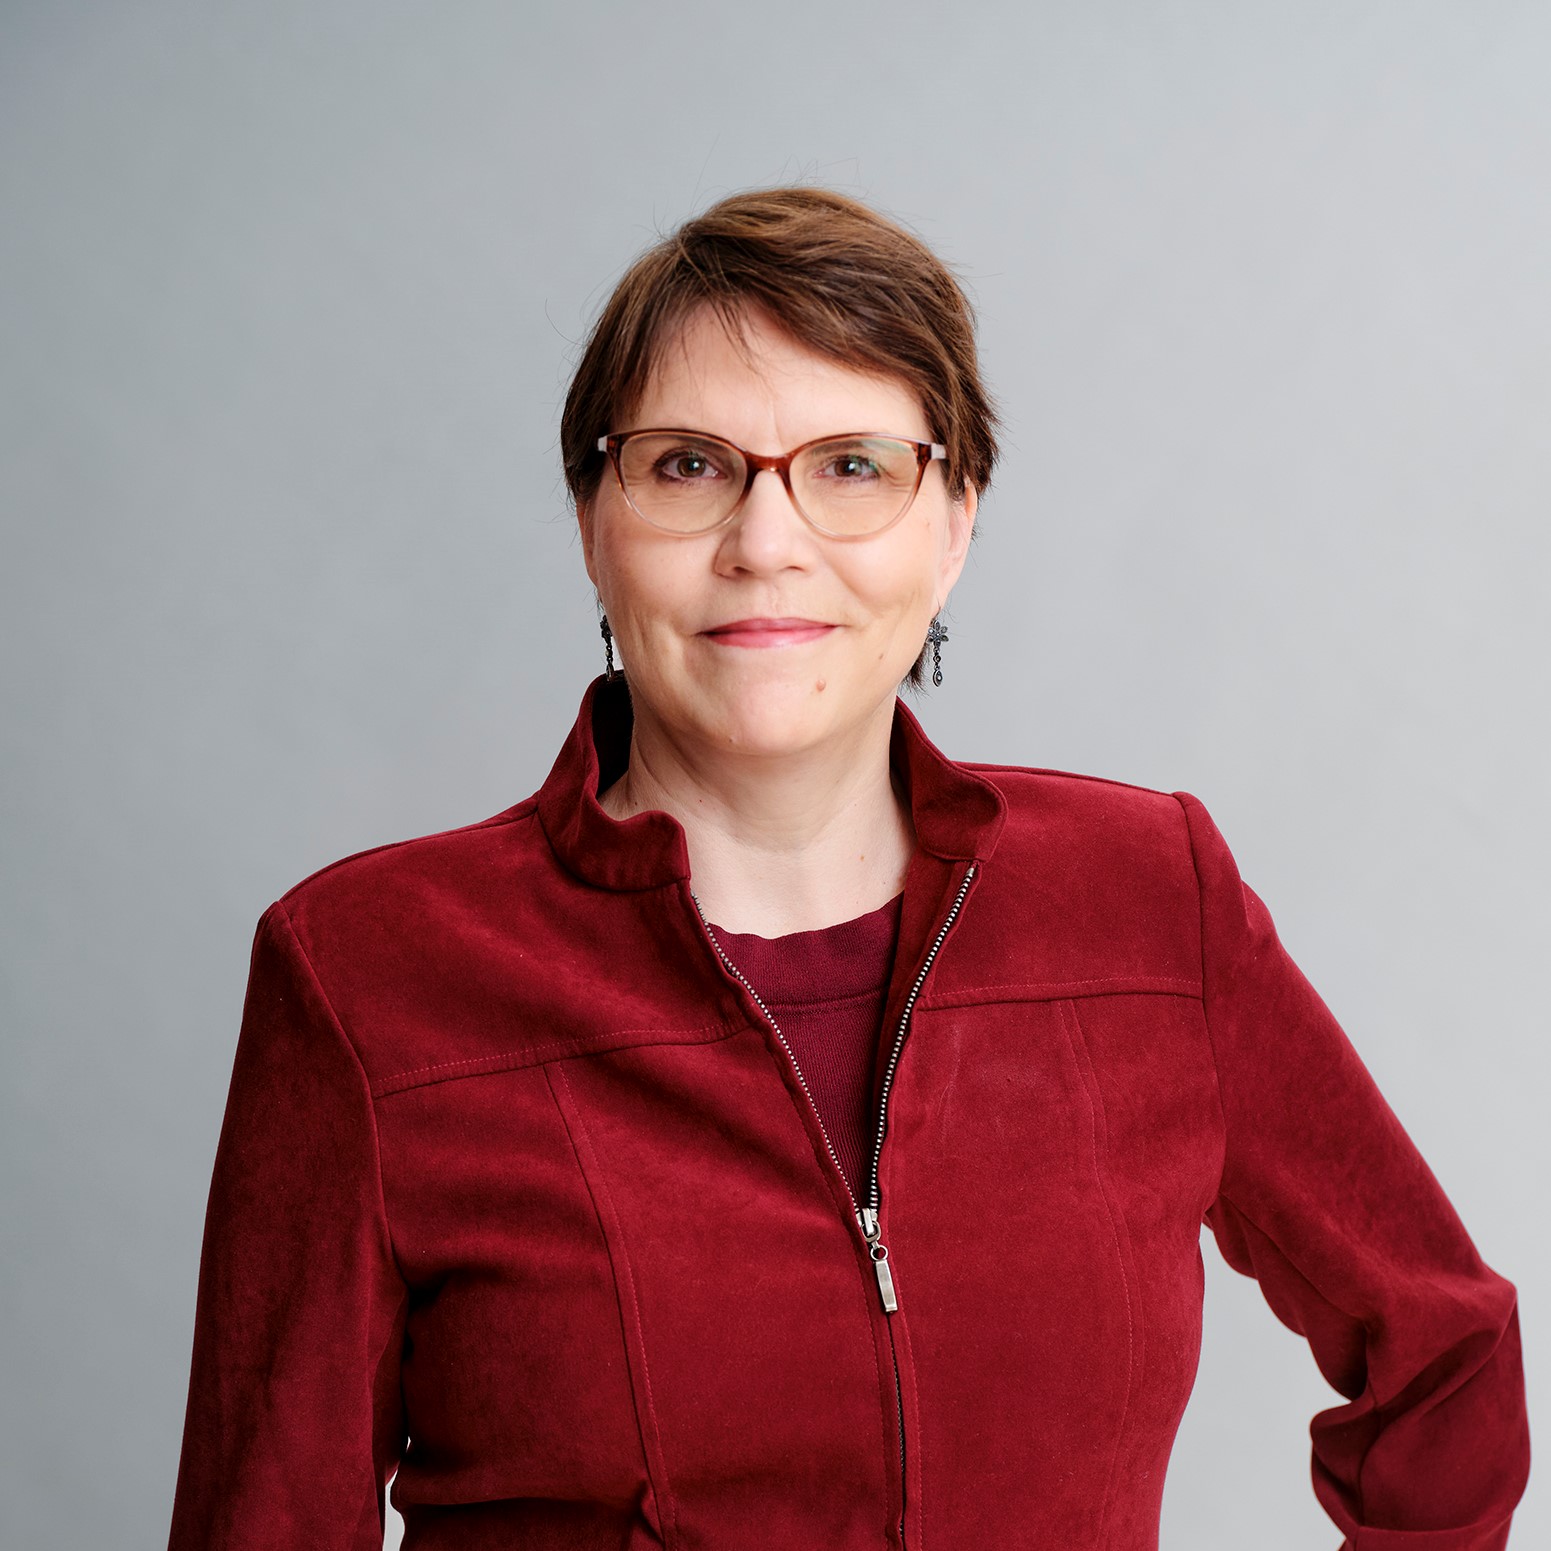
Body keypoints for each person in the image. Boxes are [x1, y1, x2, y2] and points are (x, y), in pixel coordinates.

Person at [166, 187, 1530, 1550]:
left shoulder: (1147, 898)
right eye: (688, 465)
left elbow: (1446, 1354)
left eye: (854, 467)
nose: (767, 544)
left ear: (956, 522)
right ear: (592, 519)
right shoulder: (369, 976)